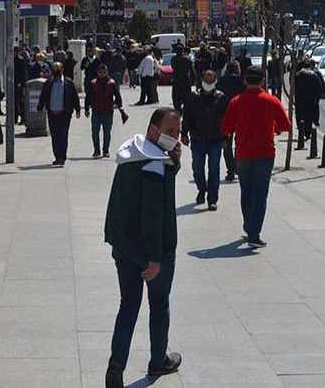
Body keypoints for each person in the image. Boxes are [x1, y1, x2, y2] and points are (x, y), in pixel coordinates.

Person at [104, 108, 184, 387]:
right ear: (153, 131)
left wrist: (174, 162)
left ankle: (116, 367)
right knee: (159, 304)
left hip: (123, 247)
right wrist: (154, 258)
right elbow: (153, 214)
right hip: (153, 251)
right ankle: (158, 360)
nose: (176, 138)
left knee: (128, 305)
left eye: (178, 132)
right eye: (170, 132)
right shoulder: (154, 165)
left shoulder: (133, 153)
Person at [220, 66, 291, 247]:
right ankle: (254, 233)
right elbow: (286, 125)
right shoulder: (271, 101)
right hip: (265, 153)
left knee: (246, 191)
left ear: (245, 80)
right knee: (260, 194)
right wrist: (273, 128)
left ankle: (249, 226)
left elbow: (226, 127)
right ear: (262, 80)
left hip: (243, 153)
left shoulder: (236, 101)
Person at [180, 70, 228, 210]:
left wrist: (226, 137)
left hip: (216, 139)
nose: (208, 82)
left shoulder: (221, 97)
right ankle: (201, 188)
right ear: (201, 80)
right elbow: (187, 116)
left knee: (214, 170)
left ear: (215, 80)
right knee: (197, 168)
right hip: (197, 139)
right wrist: (184, 134)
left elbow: (226, 120)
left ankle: (212, 199)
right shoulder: (193, 97)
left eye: (211, 79)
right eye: (206, 79)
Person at [37, 62, 81, 165]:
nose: (55, 71)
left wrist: (78, 109)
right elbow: (43, 95)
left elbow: (74, 97)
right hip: (52, 113)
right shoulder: (49, 82)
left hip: (64, 114)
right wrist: (40, 106)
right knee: (55, 136)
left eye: (58, 69)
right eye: (54, 69)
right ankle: (57, 156)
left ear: (62, 70)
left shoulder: (68, 82)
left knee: (63, 135)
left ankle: (62, 157)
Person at [86, 64, 124, 158]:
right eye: (100, 72)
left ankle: (106, 150)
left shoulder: (111, 83)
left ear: (107, 72)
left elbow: (118, 96)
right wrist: (86, 108)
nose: (102, 74)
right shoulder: (93, 83)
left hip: (108, 111)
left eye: (104, 72)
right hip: (96, 111)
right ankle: (96, 150)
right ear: (97, 73)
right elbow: (88, 97)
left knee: (107, 132)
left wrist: (118, 105)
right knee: (95, 132)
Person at [216, 61, 245, 181]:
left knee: (226, 145)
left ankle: (231, 170)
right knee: (239, 143)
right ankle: (238, 167)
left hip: (225, 116)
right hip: (240, 116)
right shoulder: (241, 81)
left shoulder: (221, 81)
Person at [294, 59, 324, 142]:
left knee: (299, 116)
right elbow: (319, 88)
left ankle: (301, 132)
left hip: (300, 99)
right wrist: (316, 98)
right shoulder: (314, 75)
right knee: (309, 117)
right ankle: (307, 133)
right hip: (310, 100)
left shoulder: (298, 75)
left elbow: (294, 87)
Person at [170, 45, 195, 113]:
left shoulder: (173, 59)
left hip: (177, 81)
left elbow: (172, 67)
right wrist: (192, 80)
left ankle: (179, 111)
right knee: (187, 100)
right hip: (185, 81)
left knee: (176, 100)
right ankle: (185, 112)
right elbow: (192, 71)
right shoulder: (187, 59)